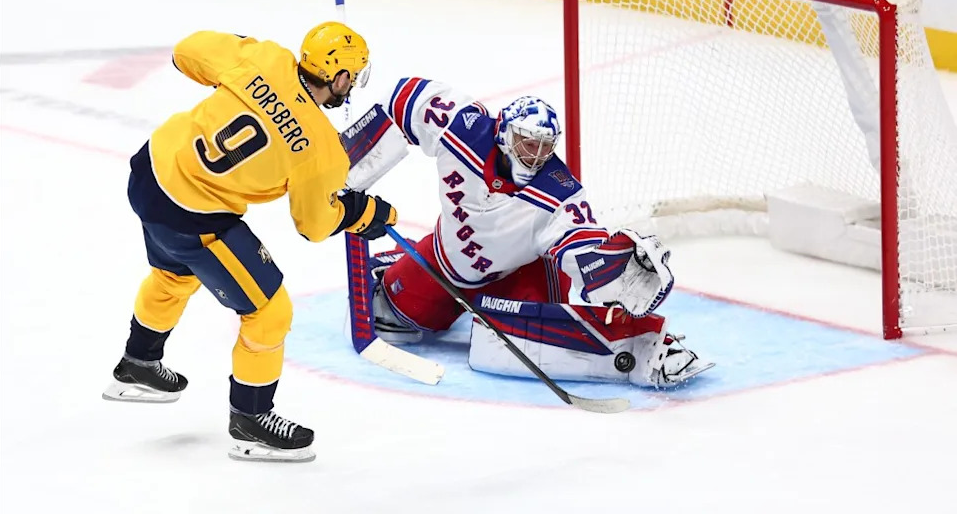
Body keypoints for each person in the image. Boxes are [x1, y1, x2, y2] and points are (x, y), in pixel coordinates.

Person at [102, 23, 398, 463]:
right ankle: (252, 421)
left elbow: (187, 51)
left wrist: (241, 48)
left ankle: (138, 365)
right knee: (269, 311)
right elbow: (314, 225)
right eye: (351, 76)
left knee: (173, 273)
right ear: (338, 77)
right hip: (194, 213)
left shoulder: (263, 58)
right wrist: (364, 212)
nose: (350, 84)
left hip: (150, 174)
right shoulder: (321, 149)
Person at [359, 77, 712, 388]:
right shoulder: (461, 129)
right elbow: (403, 98)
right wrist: (349, 164)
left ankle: (647, 345)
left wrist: (618, 268)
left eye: (546, 145)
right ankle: (398, 264)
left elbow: (583, 244)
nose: (537, 154)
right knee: (394, 321)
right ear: (503, 132)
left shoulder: (559, 193)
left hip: (519, 273)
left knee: (538, 338)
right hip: (446, 260)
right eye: (528, 142)